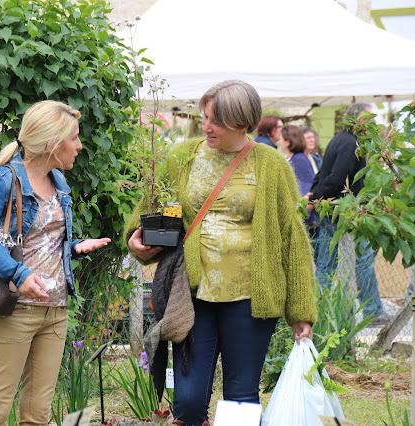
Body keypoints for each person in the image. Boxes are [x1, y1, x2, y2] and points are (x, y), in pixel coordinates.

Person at [124, 80, 317, 426]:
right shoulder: (183, 157)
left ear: (242, 123)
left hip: (250, 298)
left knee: (241, 398)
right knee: (188, 400)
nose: (207, 127)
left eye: (216, 121)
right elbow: (148, 210)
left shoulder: (271, 165)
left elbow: (293, 238)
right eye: (205, 117)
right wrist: (135, 241)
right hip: (192, 295)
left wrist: (300, 312)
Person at [0, 100, 111, 425]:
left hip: (55, 311)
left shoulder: (59, 182)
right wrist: (17, 272)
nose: (79, 145)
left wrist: (74, 246)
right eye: (74, 137)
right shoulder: (3, 179)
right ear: (51, 144)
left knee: (36, 415)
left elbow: (42, 239)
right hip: (15, 310)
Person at [309, 102, 390, 326]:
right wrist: (320, 196)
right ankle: (373, 312)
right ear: (359, 119)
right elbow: (337, 177)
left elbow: (323, 173)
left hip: (332, 210)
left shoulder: (339, 139)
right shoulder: (350, 143)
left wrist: (316, 196)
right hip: (346, 212)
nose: (373, 122)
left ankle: (319, 310)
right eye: (370, 118)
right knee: (362, 260)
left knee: (326, 264)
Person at [284, 125, 321, 258]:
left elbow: (306, 188)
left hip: (307, 218)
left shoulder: (300, 159)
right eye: (307, 137)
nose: (311, 140)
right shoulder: (300, 158)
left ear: (288, 141)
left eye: (312, 137)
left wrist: (303, 214)